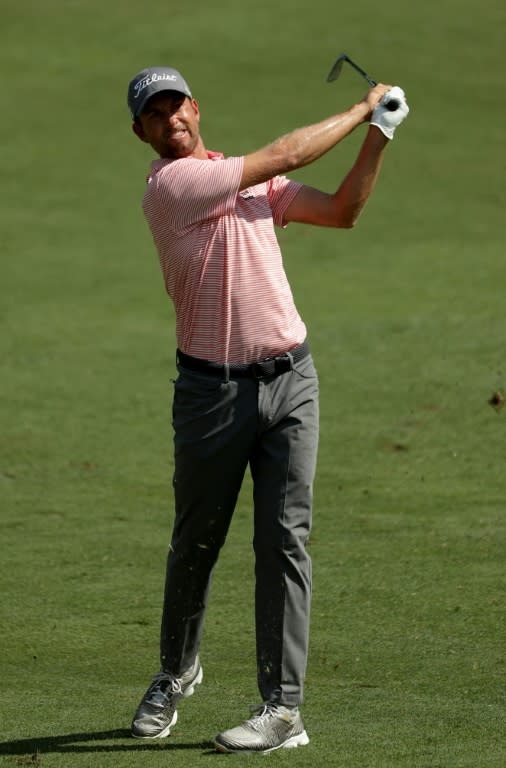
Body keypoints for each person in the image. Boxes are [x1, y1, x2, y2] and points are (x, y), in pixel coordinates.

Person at [126, 65, 409, 754]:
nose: (172, 123)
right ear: (142, 133)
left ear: (197, 106)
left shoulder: (253, 184)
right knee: (196, 541)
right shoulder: (172, 187)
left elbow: (341, 211)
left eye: (177, 107)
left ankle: (283, 710)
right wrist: (360, 105)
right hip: (211, 393)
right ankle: (175, 671)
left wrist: (380, 133)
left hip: (292, 383)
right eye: (156, 117)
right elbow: (286, 154)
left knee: (284, 542)